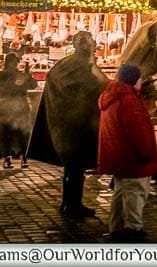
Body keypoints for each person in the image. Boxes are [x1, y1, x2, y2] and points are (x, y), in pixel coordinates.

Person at [44, 31, 107, 218]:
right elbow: (90, 88)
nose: (94, 44)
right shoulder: (80, 65)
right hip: (75, 125)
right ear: (84, 45)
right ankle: (72, 205)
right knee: (75, 168)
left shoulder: (65, 63)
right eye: (91, 42)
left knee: (72, 168)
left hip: (66, 122)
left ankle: (69, 203)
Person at [98, 63, 157, 241]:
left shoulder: (111, 96)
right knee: (135, 194)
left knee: (119, 193)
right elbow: (138, 131)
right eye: (139, 78)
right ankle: (134, 229)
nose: (141, 81)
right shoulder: (129, 100)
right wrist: (146, 153)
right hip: (132, 159)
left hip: (118, 157)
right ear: (133, 80)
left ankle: (116, 228)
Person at [0, 53, 34, 169]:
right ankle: (23, 158)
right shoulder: (19, 74)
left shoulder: (2, 75)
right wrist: (27, 76)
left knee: (6, 134)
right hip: (19, 105)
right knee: (22, 134)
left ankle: (8, 158)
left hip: (7, 105)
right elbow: (32, 85)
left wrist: (27, 75)